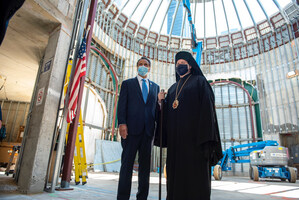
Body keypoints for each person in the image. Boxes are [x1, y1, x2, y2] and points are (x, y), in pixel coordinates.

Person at [156, 51, 223, 200]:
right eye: (177, 63)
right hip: (176, 145)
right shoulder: (173, 89)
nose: (179, 66)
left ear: (190, 66)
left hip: (195, 143)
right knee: (176, 179)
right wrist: (161, 104)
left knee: (195, 182)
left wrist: (206, 139)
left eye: (182, 63)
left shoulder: (200, 82)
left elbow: (207, 111)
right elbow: (165, 116)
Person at [117, 57, 160, 200]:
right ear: (137, 67)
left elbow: (155, 109)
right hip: (131, 131)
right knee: (126, 166)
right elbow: (122, 105)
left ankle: (142, 197)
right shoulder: (128, 84)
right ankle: (123, 197)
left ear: (150, 68)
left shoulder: (155, 87)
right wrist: (122, 123)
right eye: (140, 64)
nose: (143, 66)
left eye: (146, 65)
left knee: (145, 169)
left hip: (148, 133)